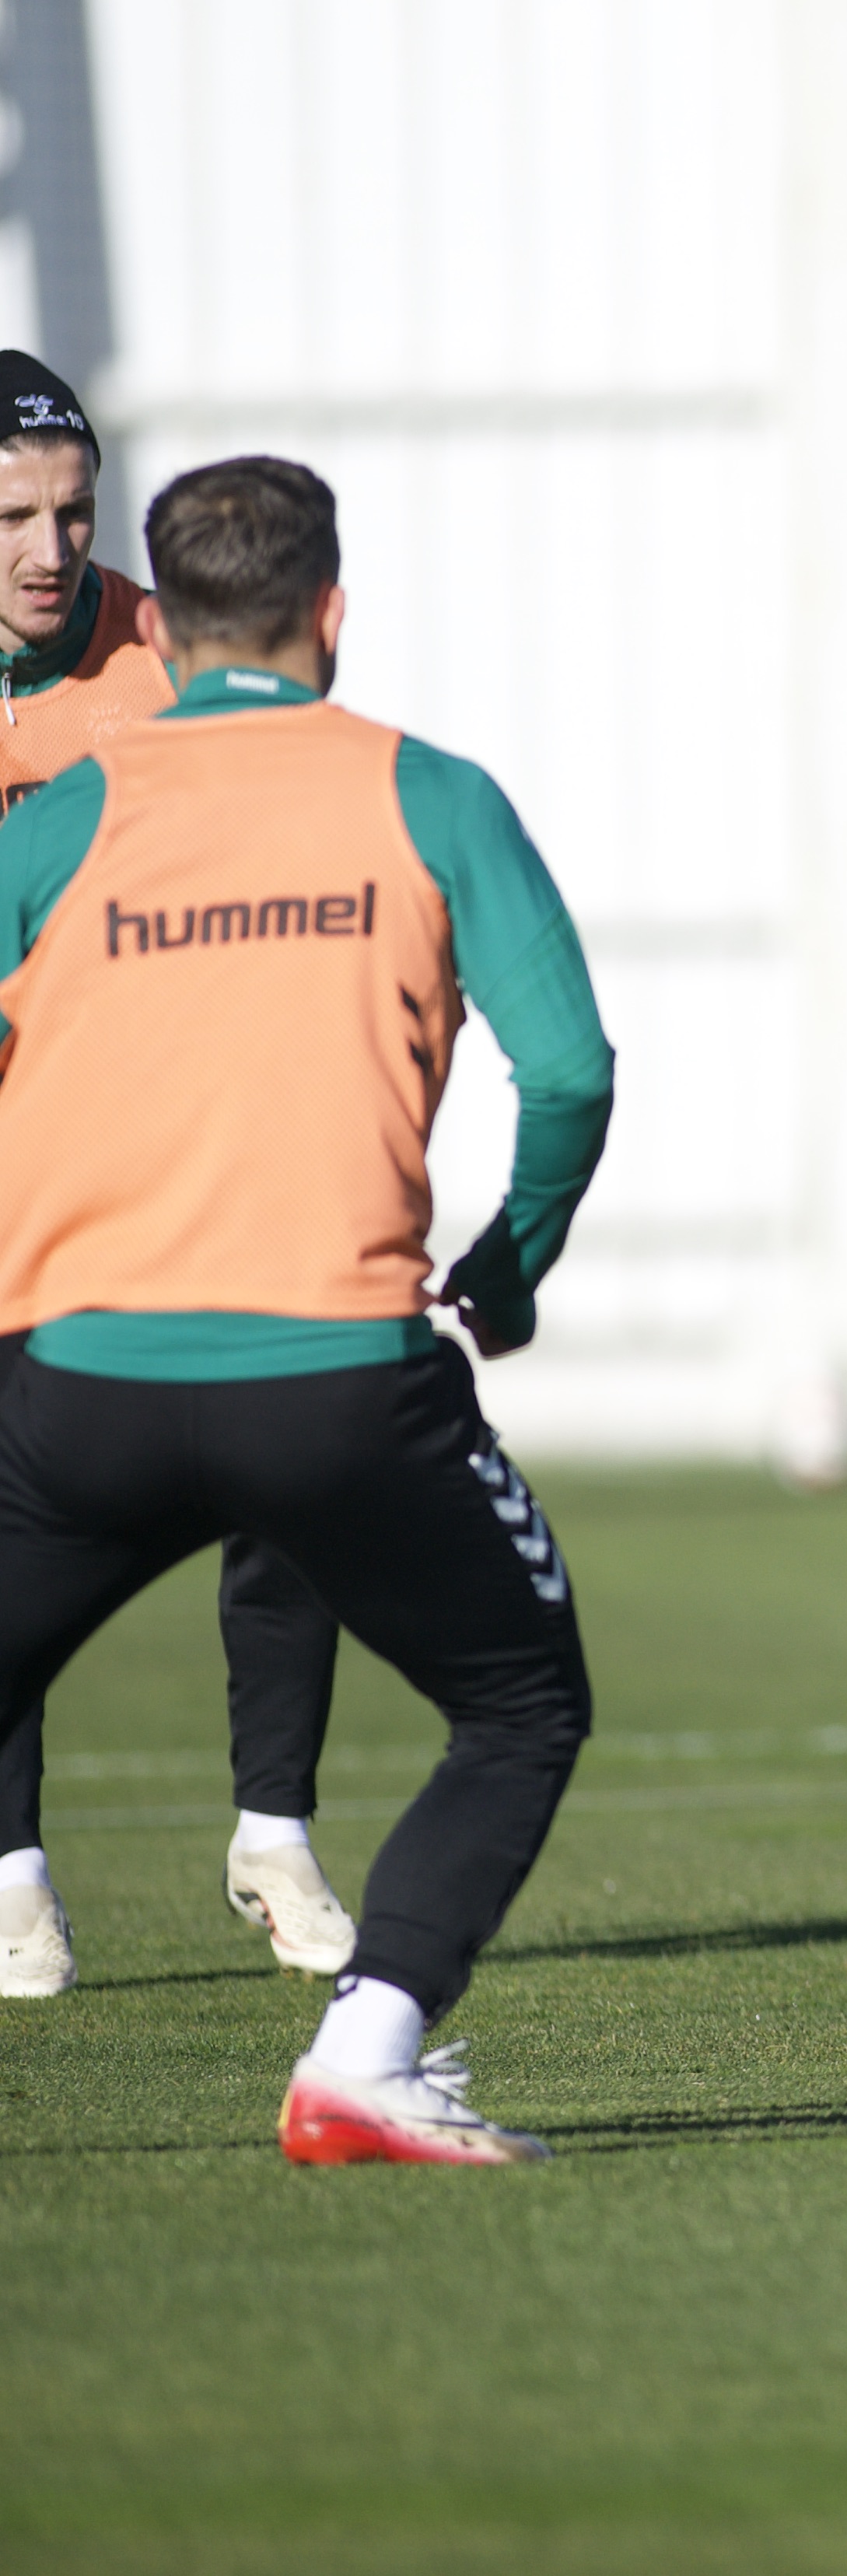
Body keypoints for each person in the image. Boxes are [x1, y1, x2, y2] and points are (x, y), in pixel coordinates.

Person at [0, 455, 614, 2162]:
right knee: (523, 1705)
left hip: (81, 1385)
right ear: (331, 615)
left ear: (164, 636)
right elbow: (570, 1072)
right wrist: (511, 1265)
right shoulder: (434, 797)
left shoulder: (57, 821)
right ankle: (366, 2045)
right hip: (339, 1386)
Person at [0, 355, 358, 2000]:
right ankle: (13, 1876)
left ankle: (274, 1832)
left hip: (171, 1138)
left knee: (289, 1458)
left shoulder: (175, 657)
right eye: (13, 516)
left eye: (73, 511)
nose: (48, 548)